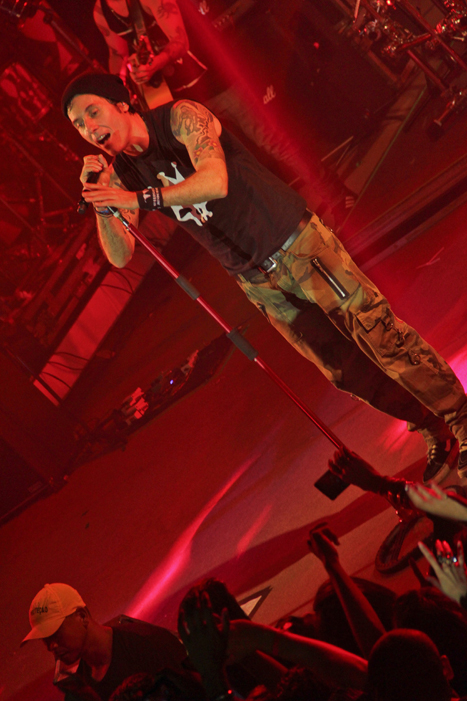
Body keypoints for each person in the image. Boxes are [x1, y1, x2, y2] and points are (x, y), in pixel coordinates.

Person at [62, 71, 467, 483]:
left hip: (298, 246)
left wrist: (138, 197)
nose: (89, 128)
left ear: (122, 103)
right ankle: (429, 423)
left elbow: (215, 181)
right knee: (346, 371)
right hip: (258, 282)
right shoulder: (122, 174)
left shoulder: (180, 118)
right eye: (78, 124)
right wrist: (101, 200)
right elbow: (120, 255)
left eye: (92, 112)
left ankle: (462, 419)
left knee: (381, 337)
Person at [20, 582, 187, 701]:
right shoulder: (80, 688)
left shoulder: (147, 645)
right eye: (45, 639)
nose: (51, 646)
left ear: (82, 616)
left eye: (55, 633)